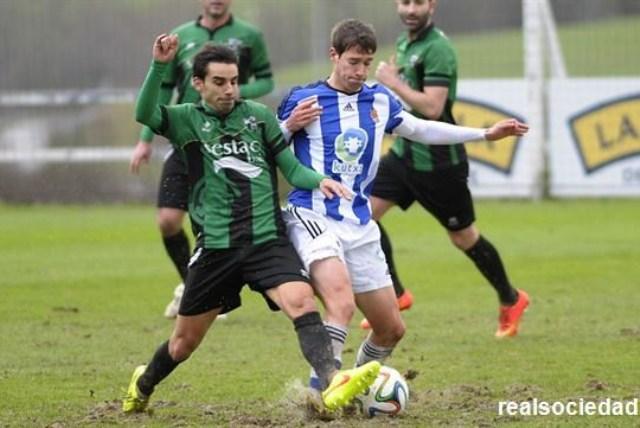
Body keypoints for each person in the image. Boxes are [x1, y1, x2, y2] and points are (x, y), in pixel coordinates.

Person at [123, 35, 381, 414]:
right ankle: (143, 383)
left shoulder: (258, 117)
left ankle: (331, 379)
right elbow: (145, 113)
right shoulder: (185, 120)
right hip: (217, 249)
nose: (230, 90)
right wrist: (159, 65)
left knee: (301, 301)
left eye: (234, 81)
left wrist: (317, 180)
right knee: (183, 344)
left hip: (266, 240)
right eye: (219, 82)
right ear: (198, 84)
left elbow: (289, 167)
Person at [277, 18, 528, 388]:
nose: (360, 71)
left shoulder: (378, 99)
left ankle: (359, 386)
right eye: (352, 62)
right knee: (341, 305)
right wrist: (287, 126)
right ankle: (321, 392)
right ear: (334, 56)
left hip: (360, 225)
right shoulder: (304, 100)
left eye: (366, 63)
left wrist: (484, 133)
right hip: (313, 215)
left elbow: (422, 128)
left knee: (391, 329)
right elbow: (265, 145)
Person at [369, 0, 530, 338]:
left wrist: (390, 81)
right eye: (404, 2)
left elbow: (432, 107)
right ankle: (396, 294)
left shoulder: (438, 48)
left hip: (439, 163)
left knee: (463, 238)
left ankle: (511, 299)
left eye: (418, 3)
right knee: (361, 217)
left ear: (432, 6)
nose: (410, 9)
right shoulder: (405, 42)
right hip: (403, 155)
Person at [130, 0, 275, 319]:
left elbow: (267, 80)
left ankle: (212, 290)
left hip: (230, 144)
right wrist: (145, 140)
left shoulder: (249, 35)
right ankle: (193, 287)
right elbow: (164, 92)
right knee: (168, 220)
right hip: (188, 140)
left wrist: (231, 89)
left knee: (218, 221)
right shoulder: (180, 36)